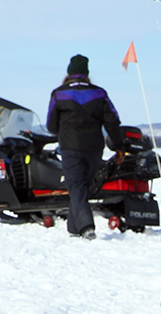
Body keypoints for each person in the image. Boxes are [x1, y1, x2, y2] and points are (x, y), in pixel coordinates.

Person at [46, 54, 123, 238]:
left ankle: (86, 226)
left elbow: (51, 125)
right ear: (87, 73)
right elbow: (113, 121)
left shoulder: (59, 93)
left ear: (69, 72)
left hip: (70, 147)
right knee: (82, 187)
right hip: (94, 148)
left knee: (77, 187)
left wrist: (63, 133)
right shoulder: (99, 93)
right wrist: (119, 146)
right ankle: (74, 229)